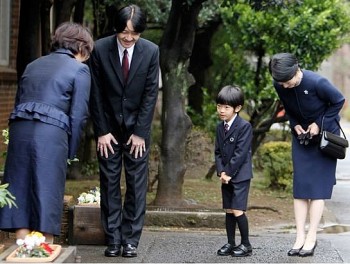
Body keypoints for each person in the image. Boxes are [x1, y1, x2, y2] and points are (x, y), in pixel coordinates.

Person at [0, 22, 94, 243]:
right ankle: (45, 250)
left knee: (21, 193)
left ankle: (23, 251)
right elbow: (78, 115)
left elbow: (18, 102)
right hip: (50, 134)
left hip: (20, 131)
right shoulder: (80, 69)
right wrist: (70, 153)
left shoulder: (33, 65)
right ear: (81, 46)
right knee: (47, 192)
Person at [88, 4, 159, 258]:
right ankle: (113, 239)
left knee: (136, 185)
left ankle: (131, 239)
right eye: (124, 32)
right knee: (108, 183)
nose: (128, 38)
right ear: (117, 29)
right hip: (108, 129)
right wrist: (102, 131)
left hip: (137, 130)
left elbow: (151, 93)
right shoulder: (100, 48)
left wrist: (140, 131)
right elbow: (94, 92)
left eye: (134, 33)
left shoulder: (151, 51)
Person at [268, 52, 345, 257]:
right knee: (301, 188)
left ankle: (312, 237)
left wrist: (319, 125)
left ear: (296, 70)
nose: (285, 86)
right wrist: (295, 126)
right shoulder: (281, 85)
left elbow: (338, 101)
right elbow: (290, 108)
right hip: (302, 138)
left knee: (318, 189)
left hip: (324, 139)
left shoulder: (317, 82)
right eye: (281, 82)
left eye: (288, 80)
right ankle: (299, 236)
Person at [215, 85, 253, 257]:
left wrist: (228, 172)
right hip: (226, 176)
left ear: (237, 108)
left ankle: (246, 245)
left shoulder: (244, 126)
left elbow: (240, 153)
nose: (222, 110)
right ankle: (231, 243)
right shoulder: (219, 127)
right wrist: (221, 172)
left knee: (238, 210)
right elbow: (217, 152)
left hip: (240, 175)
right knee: (229, 210)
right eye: (219, 106)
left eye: (226, 107)